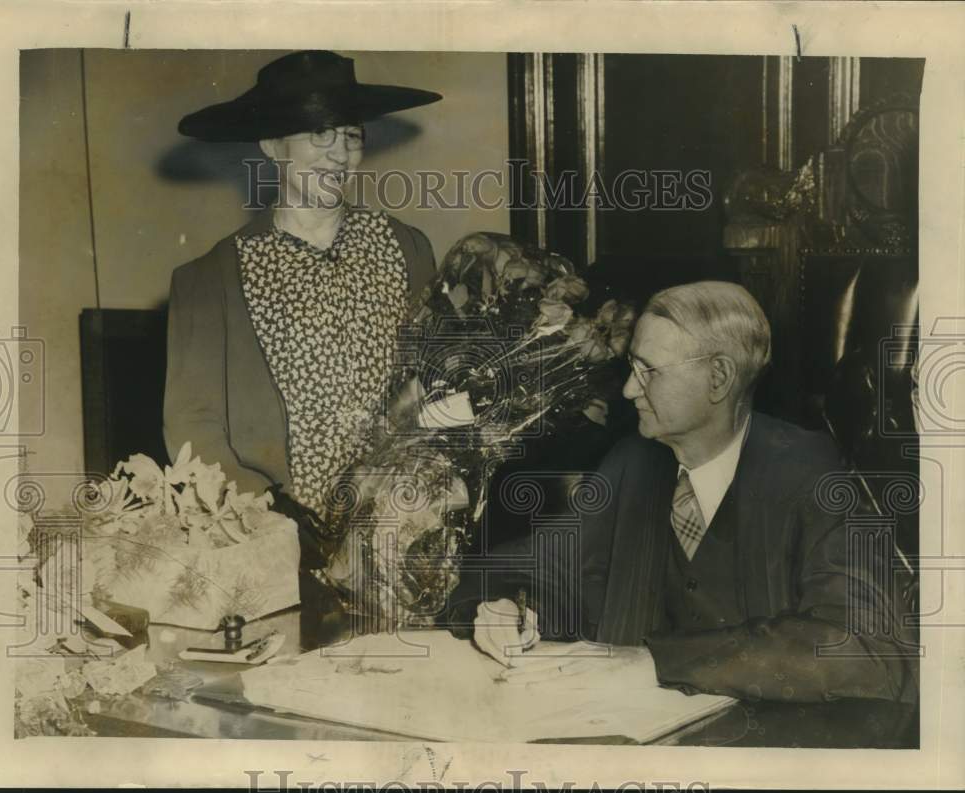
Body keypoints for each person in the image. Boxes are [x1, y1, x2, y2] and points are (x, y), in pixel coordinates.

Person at [467, 281, 916, 703]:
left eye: (649, 371)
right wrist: (512, 606)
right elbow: (541, 567)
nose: (629, 389)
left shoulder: (814, 476)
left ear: (718, 378)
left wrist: (656, 663)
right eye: (632, 367)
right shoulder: (634, 463)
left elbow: (867, 648)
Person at [164, 51, 442, 521]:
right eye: (319, 133)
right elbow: (193, 426)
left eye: (351, 135)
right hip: (274, 528)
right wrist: (272, 518)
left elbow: (432, 379)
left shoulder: (406, 247)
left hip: (398, 517)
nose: (340, 154)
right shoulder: (209, 280)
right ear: (272, 145)